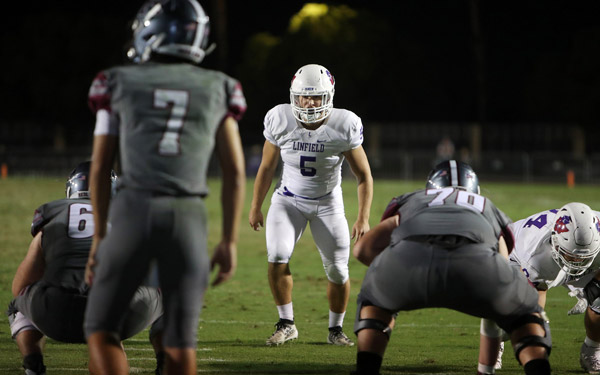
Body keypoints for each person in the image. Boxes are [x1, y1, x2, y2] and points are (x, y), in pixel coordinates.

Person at [82, 0, 247, 374]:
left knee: (101, 327)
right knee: (179, 340)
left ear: (149, 32)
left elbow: (100, 167)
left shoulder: (117, 81)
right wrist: (229, 240)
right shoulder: (220, 86)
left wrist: (98, 239)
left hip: (134, 207)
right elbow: (235, 170)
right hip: (189, 215)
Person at [352, 160, 552, 375]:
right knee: (524, 312)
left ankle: (367, 368)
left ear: (431, 186)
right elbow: (502, 263)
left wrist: (390, 273)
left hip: (409, 257)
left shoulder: (416, 198)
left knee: (375, 298)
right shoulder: (486, 206)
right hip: (479, 263)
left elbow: (363, 249)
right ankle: (533, 368)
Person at [249, 63, 373, 347]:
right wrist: (256, 205)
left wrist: (363, 217)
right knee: (277, 255)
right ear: (294, 96)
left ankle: (335, 329)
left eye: (316, 96)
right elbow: (267, 168)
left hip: (328, 203)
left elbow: (363, 176)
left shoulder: (343, 125)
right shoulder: (280, 118)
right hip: (288, 199)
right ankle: (286, 323)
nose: (309, 102)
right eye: (304, 96)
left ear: (328, 97)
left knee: (338, 271)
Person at [7, 161, 164, 375]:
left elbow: (20, 285)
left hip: (58, 310)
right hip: (117, 310)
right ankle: (167, 362)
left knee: (19, 302)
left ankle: (33, 363)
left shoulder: (52, 212)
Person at [478, 203, 600, 374]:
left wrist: (594, 287)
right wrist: (536, 321)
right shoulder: (535, 254)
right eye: (571, 256)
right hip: (515, 256)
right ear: (555, 241)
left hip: (579, 258)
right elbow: (537, 293)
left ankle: (592, 350)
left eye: (582, 258)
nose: (576, 263)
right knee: (517, 316)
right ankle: (497, 341)